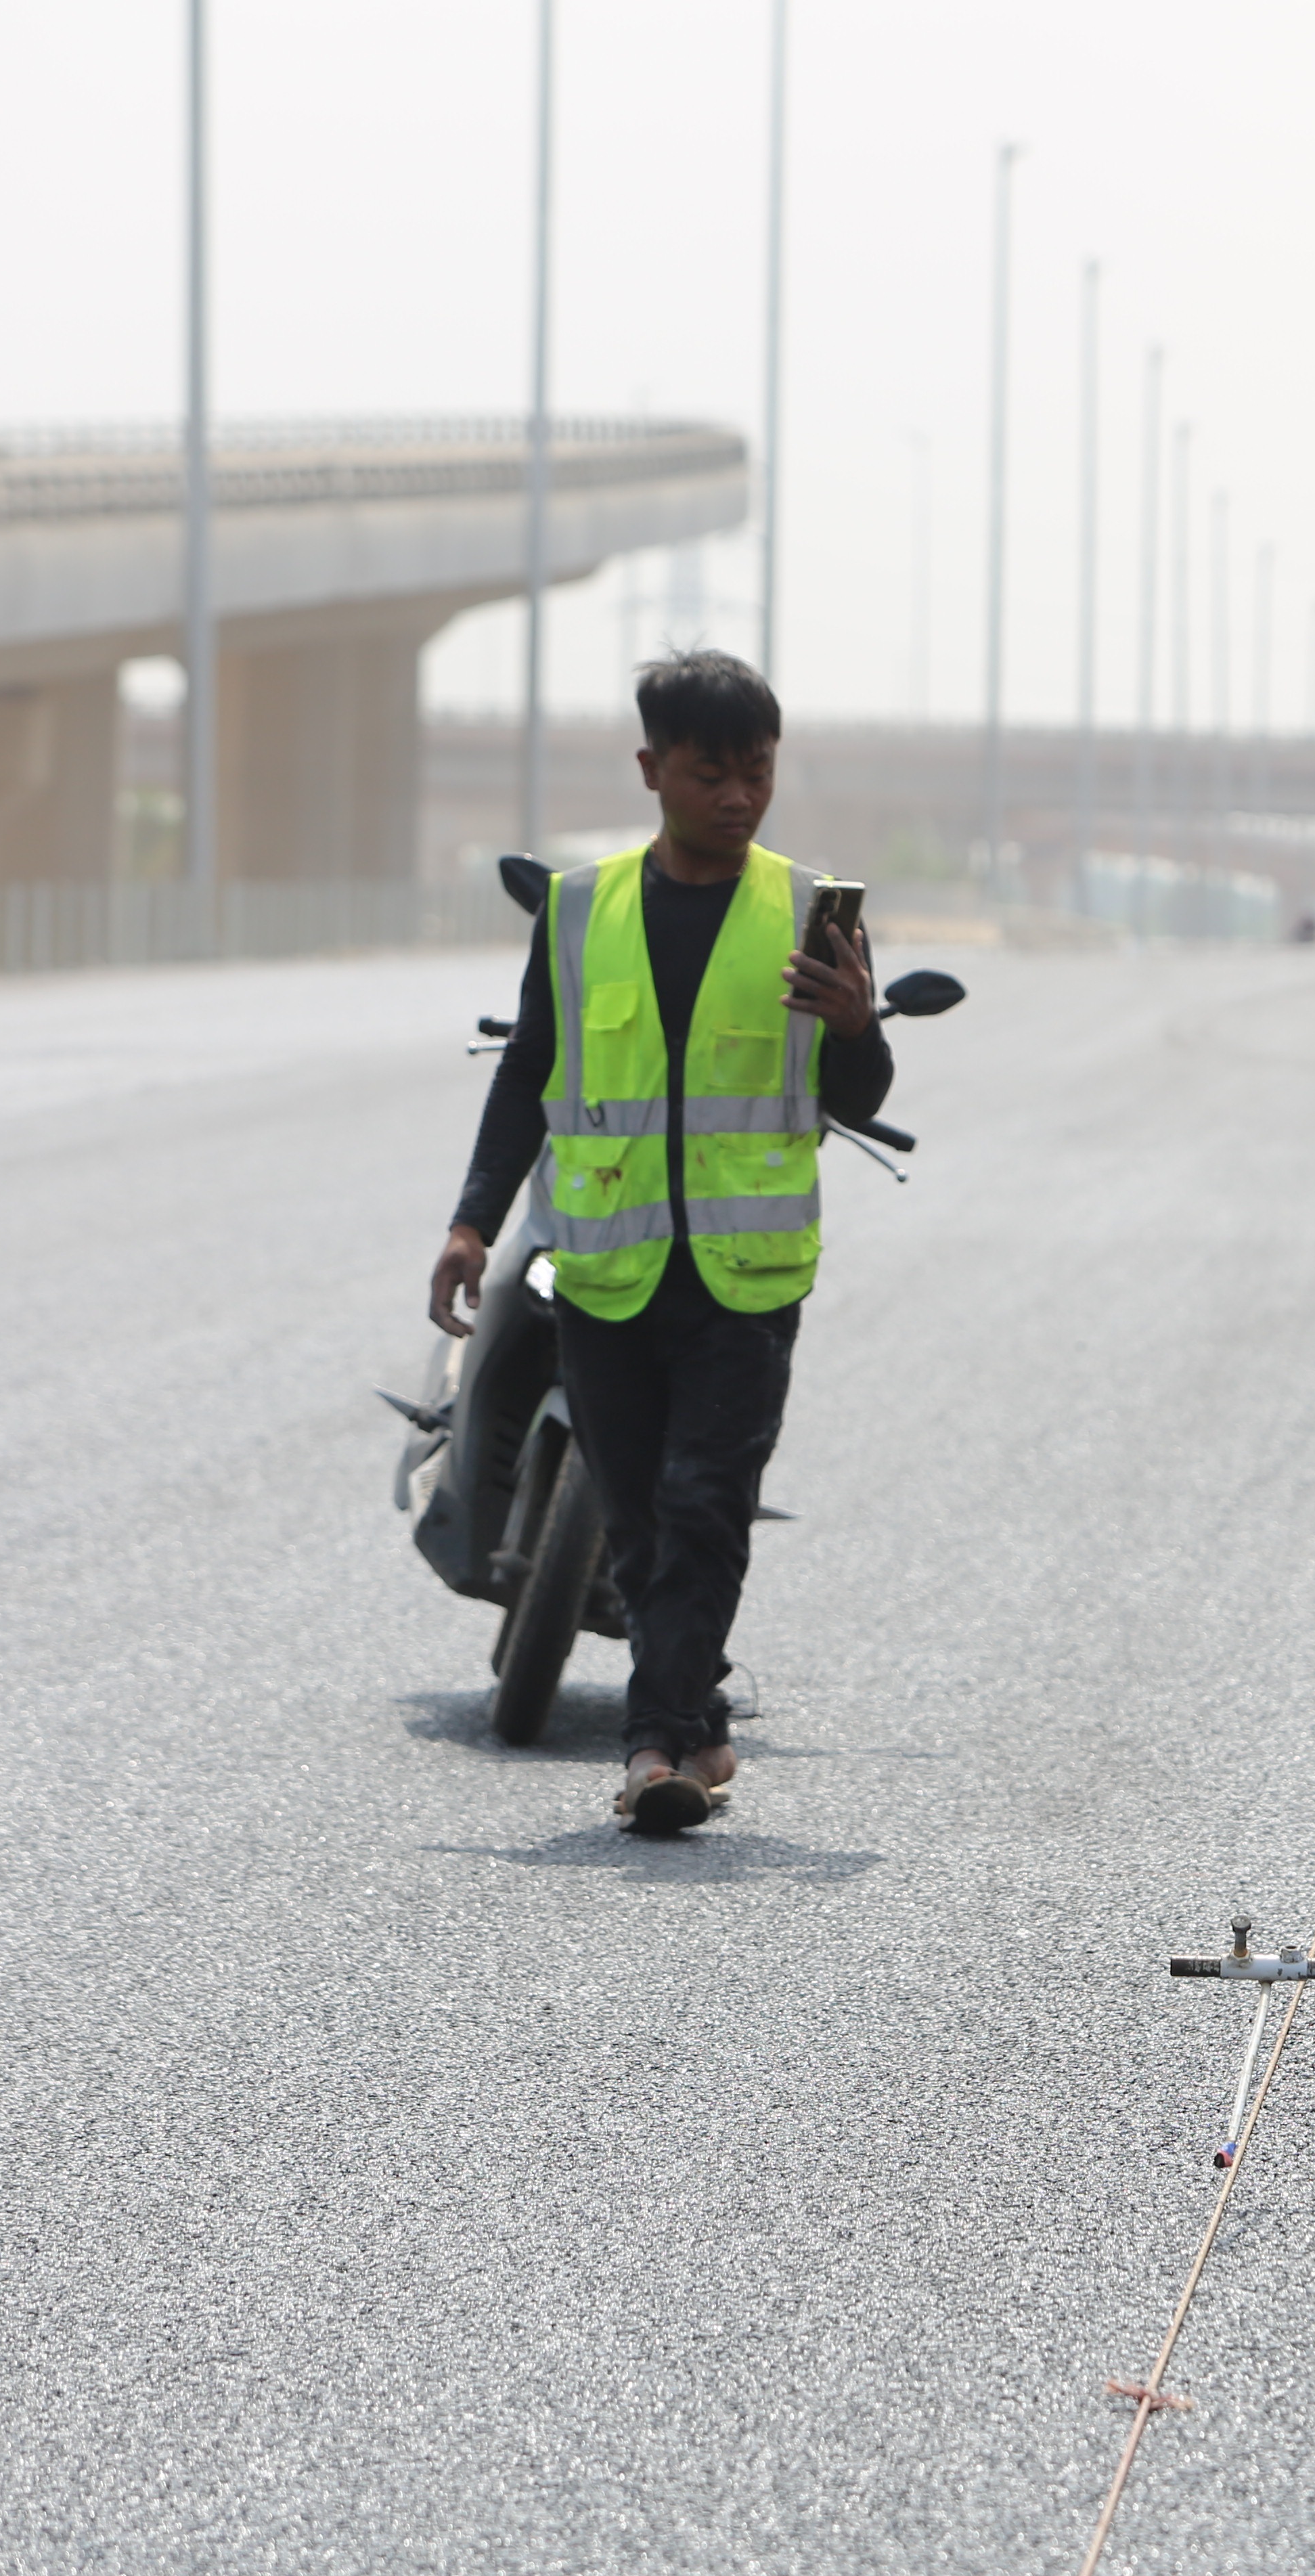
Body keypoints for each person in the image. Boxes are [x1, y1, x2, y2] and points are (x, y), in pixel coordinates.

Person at [428, 650, 891, 1836]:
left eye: (758, 773)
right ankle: (698, 1711)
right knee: (636, 1517)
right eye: (712, 773)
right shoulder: (582, 913)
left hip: (744, 1279)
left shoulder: (808, 910)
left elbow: (859, 1083)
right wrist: (474, 1220)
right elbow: (529, 1072)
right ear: (654, 770)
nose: (740, 797)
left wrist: (856, 1024)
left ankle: (652, 1751)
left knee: (704, 1504)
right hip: (607, 1267)